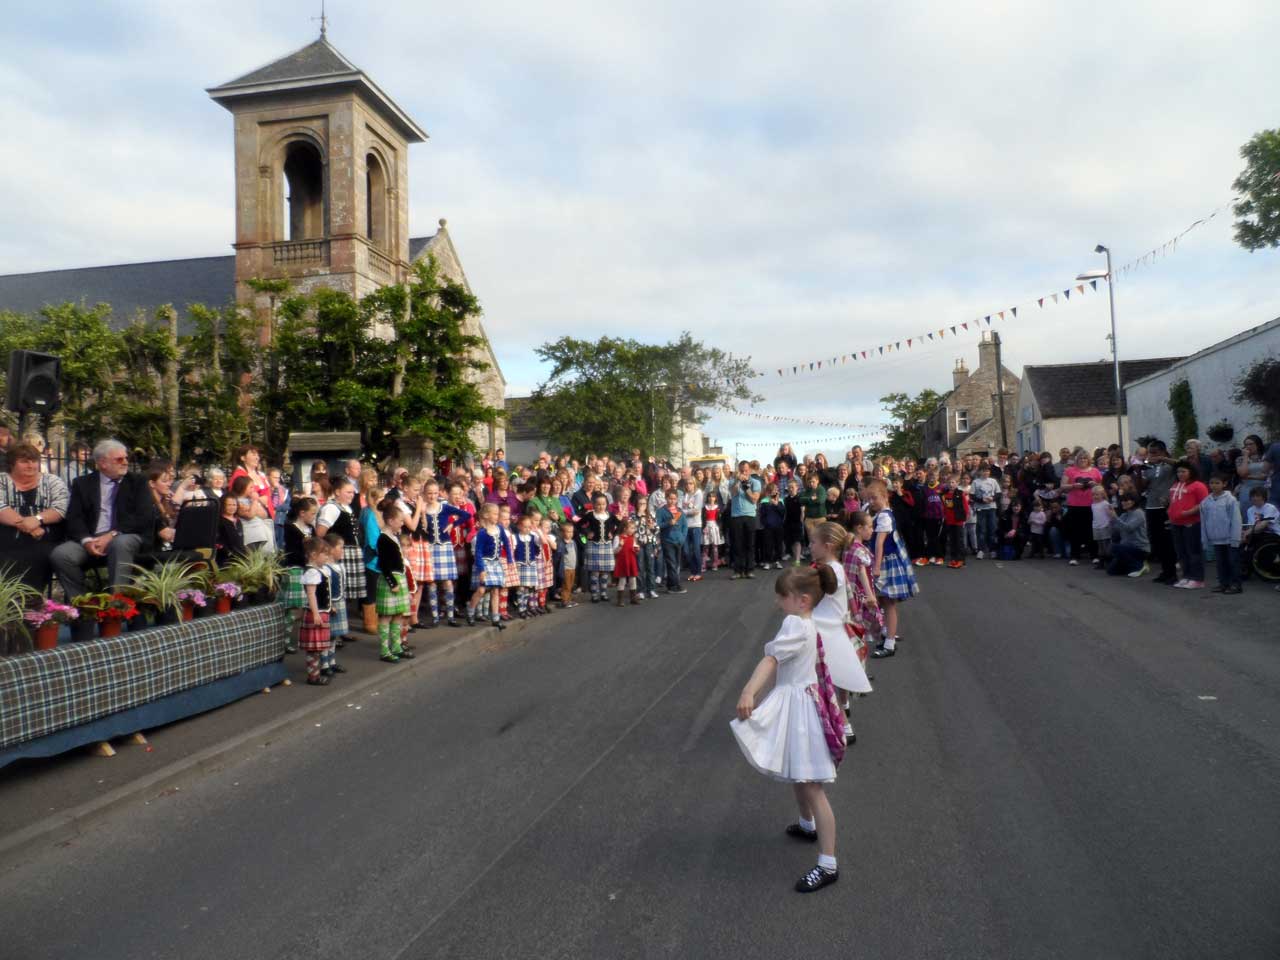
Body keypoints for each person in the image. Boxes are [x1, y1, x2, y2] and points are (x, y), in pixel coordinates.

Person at [731, 565, 846, 894]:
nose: (779, 602)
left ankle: (828, 864)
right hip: (801, 702)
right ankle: (807, 825)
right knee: (800, 773)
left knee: (811, 784)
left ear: (802, 600)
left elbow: (771, 661)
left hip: (800, 706)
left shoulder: (795, 623)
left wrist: (749, 690)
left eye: (783, 597)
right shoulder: (806, 621)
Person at [52, 439, 156, 613]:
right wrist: (86, 540)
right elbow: (74, 518)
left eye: (126, 458)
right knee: (61, 554)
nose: (125, 462)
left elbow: (144, 517)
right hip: (92, 538)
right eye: (119, 459)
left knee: (120, 543)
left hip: (126, 534)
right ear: (102, 463)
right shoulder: (82, 483)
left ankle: (118, 607)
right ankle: (83, 607)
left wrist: (112, 534)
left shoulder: (138, 482)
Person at [0, 442, 69, 592]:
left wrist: (36, 520)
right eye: (24, 461)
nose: (30, 465)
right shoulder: (1, 480)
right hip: (6, 539)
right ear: (12, 463)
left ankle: (31, 605)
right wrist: (29, 527)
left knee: (37, 555)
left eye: (34, 461)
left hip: (45, 539)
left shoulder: (52, 481)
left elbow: (60, 509)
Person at [865, 478, 918, 658]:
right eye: (869, 499)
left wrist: (876, 567)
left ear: (885, 496)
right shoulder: (879, 514)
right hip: (882, 560)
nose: (871, 502)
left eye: (874, 498)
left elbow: (880, 543)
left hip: (887, 562)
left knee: (888, 603)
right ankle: (887, 635)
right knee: (882, 601)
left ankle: (890, 642)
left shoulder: (885, 517)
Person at [374, 500, 415, 661]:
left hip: (399, 576)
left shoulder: (393, 536)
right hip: (390, 579)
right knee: (386, 615)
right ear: (391, 521)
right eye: (400, 521)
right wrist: (393, 582)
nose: (402, 524)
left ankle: (396, 646)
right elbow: (383, 564)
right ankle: (385, 650)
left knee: (398, 614)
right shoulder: (383, 538)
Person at [466, 502, 512, 629]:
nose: (497, 516)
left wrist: (509, 560)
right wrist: (481, 570)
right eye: (495, 514)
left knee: (496, 590)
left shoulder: (500, 529)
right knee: (481, 590)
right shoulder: (482, 533)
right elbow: (478, 552)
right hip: (484, 563)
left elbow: (506, 543)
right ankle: (470, 612)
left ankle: (496, 618)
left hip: (495, 563)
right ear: (486, 515)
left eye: (498, 514)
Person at [1141, 440, 1180, 583]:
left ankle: (1172, 573)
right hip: (1151, 506)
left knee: (1167, 541)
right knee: (1156, 541)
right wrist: (1139, 471)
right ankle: (1164, 571)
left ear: (1163, 452)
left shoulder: (1169, 465)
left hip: (1165, 507)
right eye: (1149, 452)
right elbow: (1143, 486)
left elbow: (1182, 465)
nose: (1151, 455)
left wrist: (1162, 459)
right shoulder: (1148, 467)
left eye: (1154, 452)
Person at [299, 537, 335, 685]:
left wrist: (330, 605)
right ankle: (313, 676)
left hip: (322, 611)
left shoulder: (321, 570)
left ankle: (316, 673)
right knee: (314, 649)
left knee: (318, 647)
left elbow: (324, 592)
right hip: (316, 612)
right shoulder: (312, 572)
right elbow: (311, 594)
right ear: (314, 555)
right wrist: (315, 613)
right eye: (324, 554)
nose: (327, 557)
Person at [1167, 460, 1208, 589]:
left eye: (1183, 471)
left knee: (1193, 551)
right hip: (1176, 522)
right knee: (1181, 552)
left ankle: (1197, 578)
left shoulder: (1198, 485)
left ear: (1191, 472)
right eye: (1178, 471)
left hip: (1191, 522)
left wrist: (1189, 512)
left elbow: (1204, 503)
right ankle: (1186, 576)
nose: (1180, 474)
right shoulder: (1175, 484)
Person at [1200, 471, 1243, 594]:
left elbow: (1236, 520)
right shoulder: (1206, 501)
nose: (1213, 485)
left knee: (1232, 561)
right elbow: (1204, 521)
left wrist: (1235, 538)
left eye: (1217, 483)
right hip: (1216, 538)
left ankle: (1236, 585)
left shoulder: (1230, 500)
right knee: (1220, 562)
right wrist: (1205, 538)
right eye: (1211, 483)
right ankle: (1223, 584)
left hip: (1230, 537)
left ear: (1224, 484)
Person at [1060, 451, 1103, 566]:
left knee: (1091, 530)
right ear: (1076, 460)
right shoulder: (1070, 470)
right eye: (1080, 458)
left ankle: (1094, 555)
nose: (1083, 460)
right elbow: (1062, 486)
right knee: (1075, 531)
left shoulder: (1095, 471)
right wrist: (1073, 486)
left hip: (1091, 504)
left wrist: (1095, 485)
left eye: (1085, 458)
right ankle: (1074, 555)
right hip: (1074, 504)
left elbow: (1102, 487)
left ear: (1089, 459)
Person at [729, 461, 762, 579]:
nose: (744, 472)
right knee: (737, 544)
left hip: (750, 515)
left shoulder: (755, 482)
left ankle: (749, 570)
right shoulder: (733, 481)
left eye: (746, 470)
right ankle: (738, 570)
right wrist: (739, 481)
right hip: (736, 516)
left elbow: (754, 499)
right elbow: (733, 494)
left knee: (750, 544)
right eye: (742, 470)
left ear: (750, 470)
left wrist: (746, 487)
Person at [1106, 492, 1150, 577]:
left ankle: (1139, 566)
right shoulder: (1124, 514)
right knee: (1111, 571)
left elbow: (1129, 528)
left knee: (1114, 547)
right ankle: (1137, 564)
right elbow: (1116, 529)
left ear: (1133, 502)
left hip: (1139, 548)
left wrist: (1115, 517)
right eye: (1122, 500)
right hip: (1126, 547)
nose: (1123, 502)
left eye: (1126, 500)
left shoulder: (1139, 513)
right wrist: (1111, 519)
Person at [656, 489, 688, 595]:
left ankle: (670, 584)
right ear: (666, 498)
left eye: (674, 499)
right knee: (671, 563)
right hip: (667, 540)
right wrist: (668, 523)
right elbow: (658, 525)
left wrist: (682, 537)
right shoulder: (661, 511)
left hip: (678, 540)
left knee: (676, 564)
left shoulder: (680, 511)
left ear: (677, 499)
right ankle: (675, 585)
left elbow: (685, 526)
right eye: (670, 498)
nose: (672, 501)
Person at [970, 464, 999, 559]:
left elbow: (998, 493)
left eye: (987, 471)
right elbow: (972, 496)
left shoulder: (993, 481)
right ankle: (981, 550)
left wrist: (992, 498)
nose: (986, 473)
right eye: (983, 471)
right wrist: (982, 500)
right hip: (980, 508)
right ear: (980, 472)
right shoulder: (975, 482)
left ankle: (992, 550)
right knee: (981, 530)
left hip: (991, 508)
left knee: (992, 529)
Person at [679, 477, 705, 583]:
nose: (689, 485)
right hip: (685, 526)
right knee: (686, 550)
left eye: (691, 483)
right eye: (687, 484)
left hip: (695, 525)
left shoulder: (698, 493)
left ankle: (698, 572)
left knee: (696, 549)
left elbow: (696, 510)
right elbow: (679, 508)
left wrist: (685, 510)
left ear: (694, 484)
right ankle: (693, 571)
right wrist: (687, 509)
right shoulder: (683, 495)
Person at [612, 518, 641, 606]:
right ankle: (620, 600)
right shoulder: (618, 537)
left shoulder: (633, 538)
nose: (633, 530)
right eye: (631, 528)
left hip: (631, 561)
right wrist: (620, 546)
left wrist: (637, 550)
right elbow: (614, 551)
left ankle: (633, 598)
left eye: (634, 528)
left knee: (633, 579)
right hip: (622, 562)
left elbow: (634, 550)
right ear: (625, 528)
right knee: (622, 580)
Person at [941, 477, 969, 567]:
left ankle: (961, 559)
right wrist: (944, 516)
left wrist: (965, 518)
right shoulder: (944, 495)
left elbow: (965, 507)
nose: (951, 484)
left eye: (953, 482)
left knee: (959, 541)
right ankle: (953, 558)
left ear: (957, 484)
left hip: (958, 521)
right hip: (949, 521)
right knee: (952, 541)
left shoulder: (960, 494)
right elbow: (944, 507)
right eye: (949, 482)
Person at [758, 484, 786, 570]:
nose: (773, 492)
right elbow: (762, 514)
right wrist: (770, 504)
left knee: (778, 544)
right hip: (768, 527)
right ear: (768, 492)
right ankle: (768, 561)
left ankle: (777, 561)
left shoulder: (781, 500)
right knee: (768, 544)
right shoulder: (764, 501)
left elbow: (783, 512)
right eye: (771, 491)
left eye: (775, 490)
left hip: (778, 526)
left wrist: (776, 504)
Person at [1090, 484, 1116, 568]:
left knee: (1106, 545)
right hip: (1096, 527)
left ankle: (1108, 561)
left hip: (1105, 526)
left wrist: (1110, 524)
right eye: (1093, 495)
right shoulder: (1093, 504)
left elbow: (1111, 515)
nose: (1095, 496)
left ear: (1102, 494)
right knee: (1100, 545)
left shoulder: (1105, 504)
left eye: (1097, 494)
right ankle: (1101, 561)